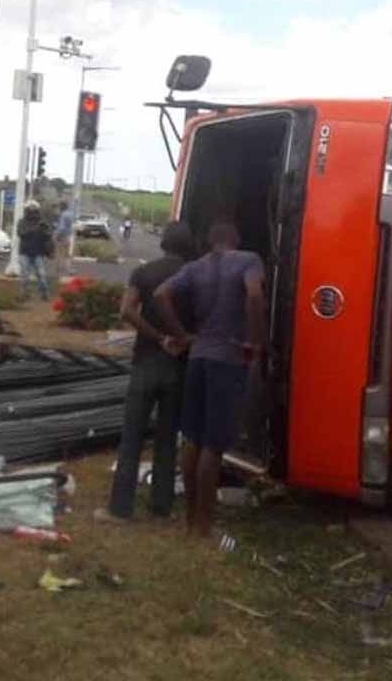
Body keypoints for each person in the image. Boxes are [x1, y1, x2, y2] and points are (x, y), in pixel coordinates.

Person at [154, 221, 266, 542]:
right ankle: (204, 526)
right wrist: (254, 340)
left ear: (209, 242)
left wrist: (180, 335)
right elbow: (254, 294)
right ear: (235, 239)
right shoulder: (249, 260)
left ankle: (191, 519)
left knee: (192, 438)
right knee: (214, 445)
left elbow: (160, 294)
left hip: (198, 356)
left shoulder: (195, 267)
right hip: (227, 360)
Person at [96, 223, 196, 523]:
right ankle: (161, 505)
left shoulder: (144, 272)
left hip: (146, 363)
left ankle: (120, 508)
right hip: (178, 365)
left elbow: (126, 310)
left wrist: (157, 337)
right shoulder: (194, 275)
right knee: (167, 437)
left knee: (132, 436)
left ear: (163, 243)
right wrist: (181, 339)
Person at [17, 202, 53, 301]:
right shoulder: (22, 222)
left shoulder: (42, 222)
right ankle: (24, 294)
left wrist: (46, 230)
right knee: (25, 275)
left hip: (38, 253)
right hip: (24, 252)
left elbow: (48, 236)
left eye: (35, 211)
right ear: (26, 211)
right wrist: (35, 229)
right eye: (30, 210)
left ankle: (45, 294)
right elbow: (21, 234)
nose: (32, 213)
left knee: (41, 275)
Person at [54, 201, 74, 277]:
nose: (58, 208)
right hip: (68, 236)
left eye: (59, 207)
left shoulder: (63, 215)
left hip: (61, 237)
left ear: (61, 207)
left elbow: (62, 228)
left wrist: (56, 235)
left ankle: (58, 271)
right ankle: (68, 270)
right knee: (66, 255)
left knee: (58, 254)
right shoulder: (70, 214)